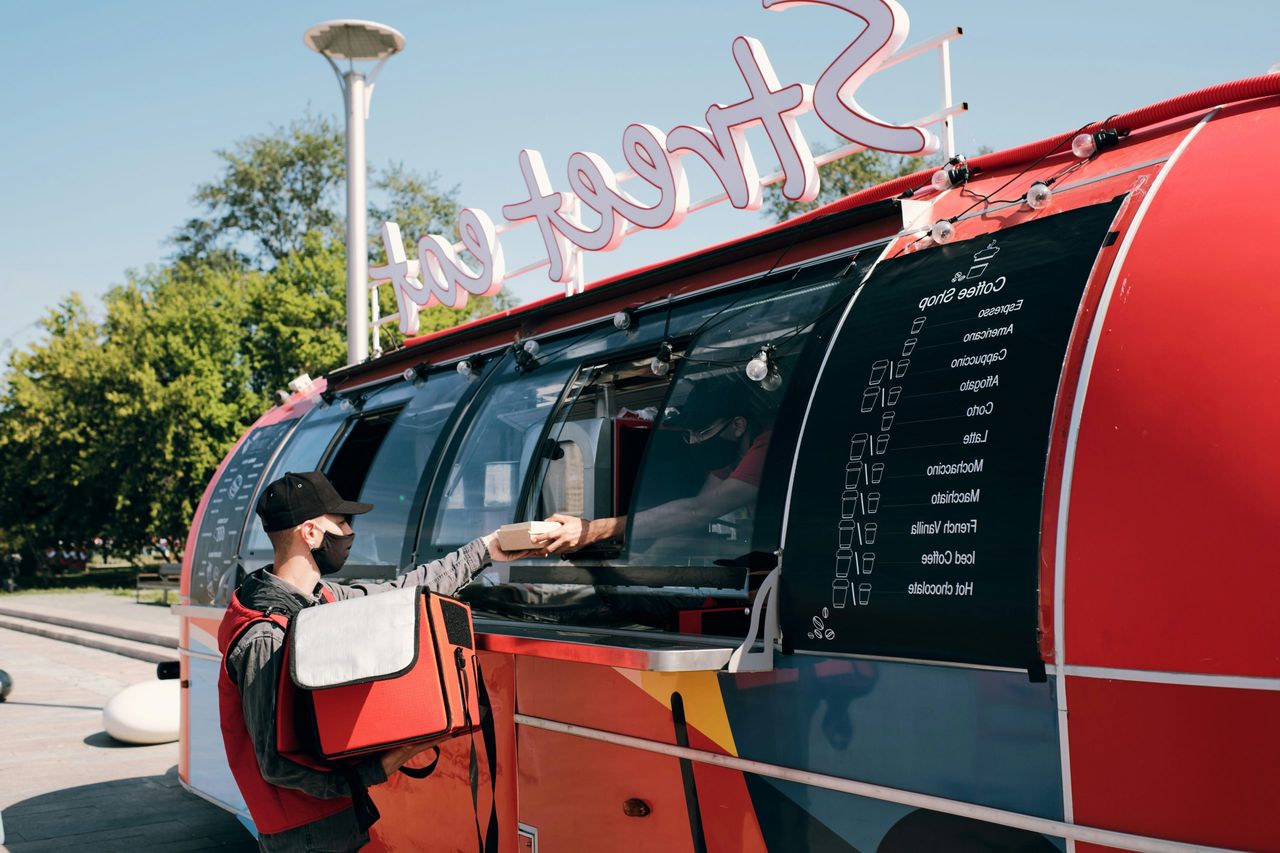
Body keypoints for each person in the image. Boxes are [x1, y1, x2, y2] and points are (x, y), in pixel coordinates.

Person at [218, 470, 534, 852]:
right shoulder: (264, 637)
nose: (349, 533)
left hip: (333, 817)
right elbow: (275, 764)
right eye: (340, 523)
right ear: (311, 533)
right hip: (304, 833)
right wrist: (376, 769)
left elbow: (402, 594)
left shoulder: (323, 599)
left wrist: (486, 549)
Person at [534, 374, 772, 556]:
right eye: (689, 435)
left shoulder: (768, 446)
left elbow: (698, 510)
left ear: (738, 425)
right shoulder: (729, 457)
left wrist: (592, 530)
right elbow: (688, 521)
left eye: (702, 432)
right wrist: (645, 561)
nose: (695, 442)